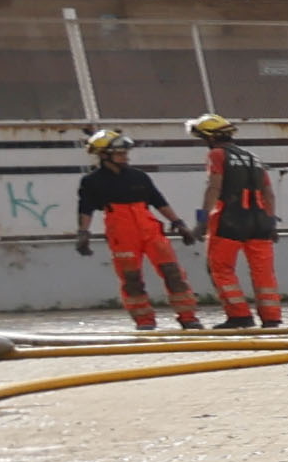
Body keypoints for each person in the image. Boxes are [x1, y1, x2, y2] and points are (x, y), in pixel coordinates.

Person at [69, 129, 201, 331]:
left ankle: (188, 317)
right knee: (131, 279)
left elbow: (159, 202)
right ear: (104, 155)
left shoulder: (138, 177)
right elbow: (85, 208)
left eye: (125, 153)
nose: (125, 157)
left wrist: (179, 223)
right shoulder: (92, 181)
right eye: (120, 153)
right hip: (122, 233)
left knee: (172, 272)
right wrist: (83, 232)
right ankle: (144, 321)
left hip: (149, 228)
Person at [189, 110, 286, 328]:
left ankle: (239, 315)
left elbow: (214, 187)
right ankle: (271, 317)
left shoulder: (217, 155)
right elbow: (268, 193)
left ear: (211, 137)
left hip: (230, 220)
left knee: (221, 269)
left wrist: (202, 219)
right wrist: (271, 222)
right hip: (260, 220)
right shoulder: (254, 158)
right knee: (263, 271)